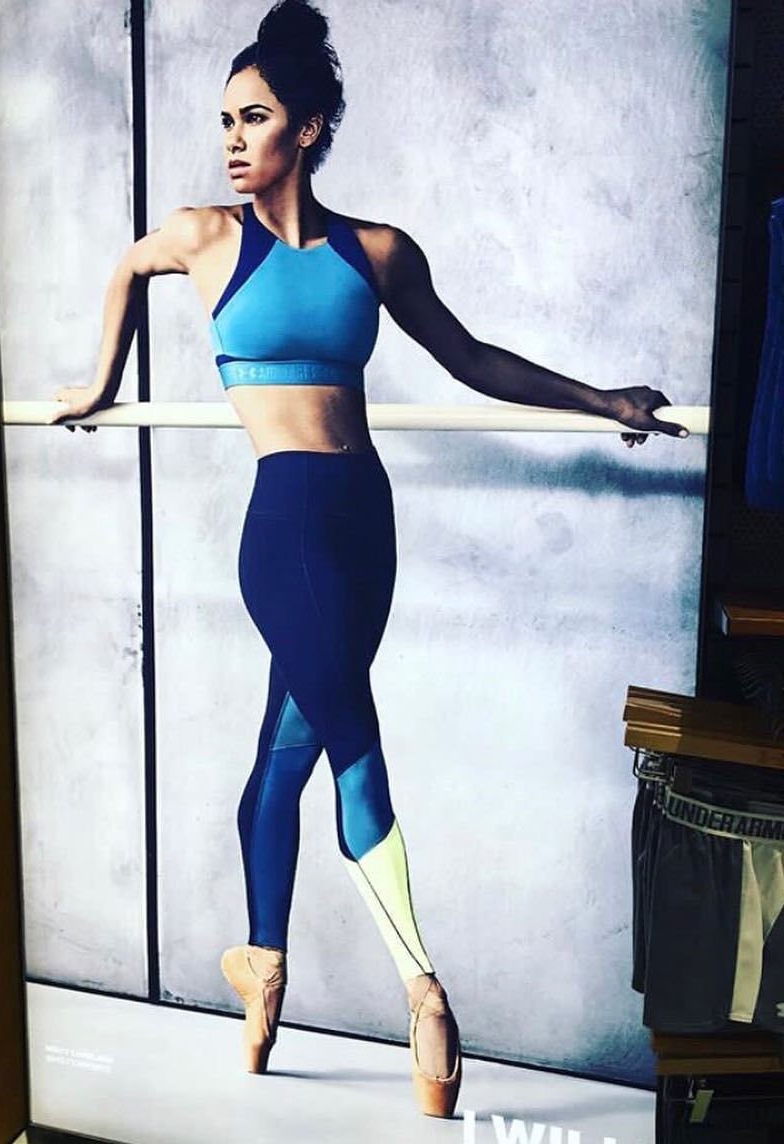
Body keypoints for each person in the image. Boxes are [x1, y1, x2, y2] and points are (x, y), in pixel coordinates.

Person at [50, 0, 689, 1120]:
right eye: (225, 120)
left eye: (254, 118)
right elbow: (126, 270)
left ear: (310, 127)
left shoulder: (379, 252)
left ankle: (262, 974)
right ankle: (426, 996)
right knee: (354, 739)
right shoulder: (205, 237)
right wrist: (102, 381)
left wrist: (602, 399)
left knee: (285, 753)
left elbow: (472, 357)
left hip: (363, 522)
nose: (232, 138)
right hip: (284, 522)